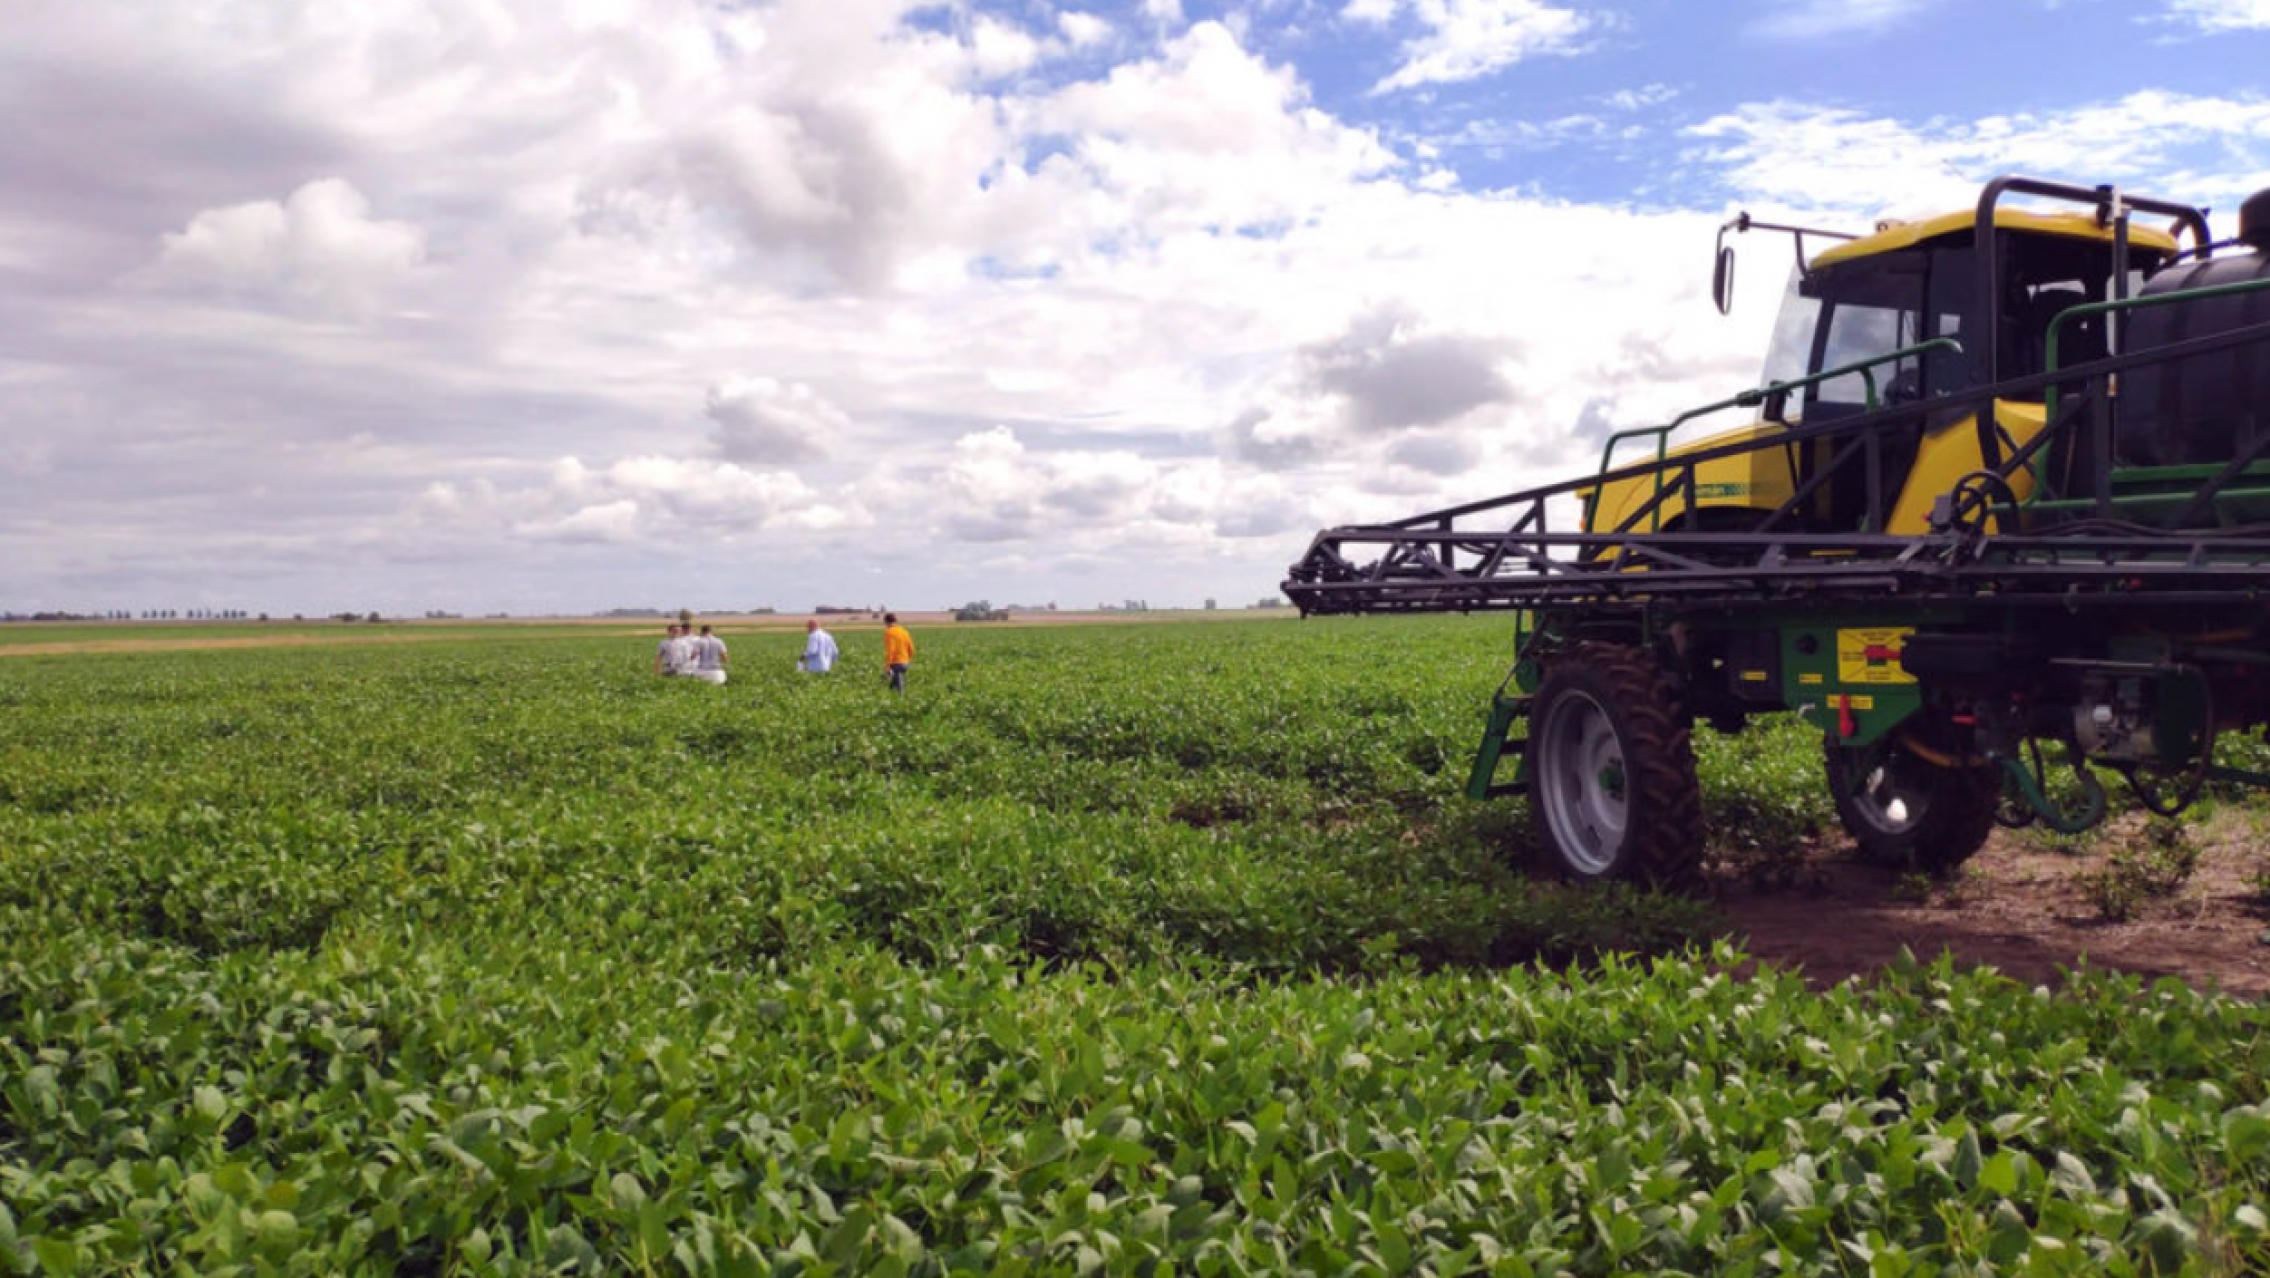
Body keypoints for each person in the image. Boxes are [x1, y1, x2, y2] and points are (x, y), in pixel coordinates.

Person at [882, 612, 914, 694]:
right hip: (905, 663)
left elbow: (890, 650)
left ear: (885, 622)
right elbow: (911, 649)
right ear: (895, 621)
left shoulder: (889, 632)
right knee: (893, 685)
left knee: (899, 686)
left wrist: (887, 666)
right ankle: (891, 697)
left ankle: (901, 698)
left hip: (896, 663)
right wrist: (908, 660)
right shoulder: (904, 632)